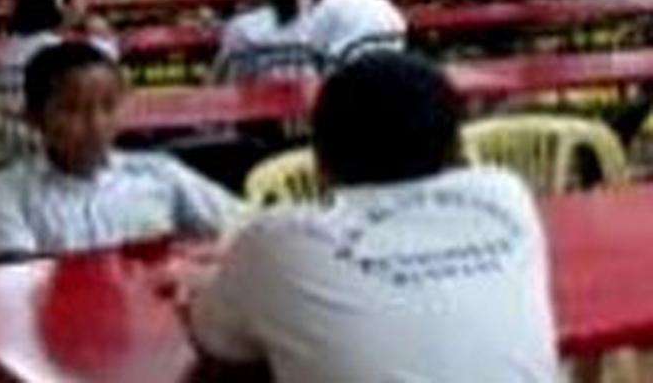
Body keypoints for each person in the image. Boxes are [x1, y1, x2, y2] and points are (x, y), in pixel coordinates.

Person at [185, 52, 559, 383]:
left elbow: (218, 344)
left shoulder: (275, 242)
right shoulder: (507, 195)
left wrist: (210, 280)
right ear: (458, 144)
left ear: (320, 160)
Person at [0, 40, 242, 264]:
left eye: (109, 107)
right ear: (33, 117)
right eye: (72, 110)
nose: (96, 124)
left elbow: (247, 226)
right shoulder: (4, 193)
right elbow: (15, 277)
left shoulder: (159, 173)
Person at [214, 0, 312, 80]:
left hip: (259, 91)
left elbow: (222, 77)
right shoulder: (309, 14)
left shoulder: (241, 26)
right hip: (307, 90)